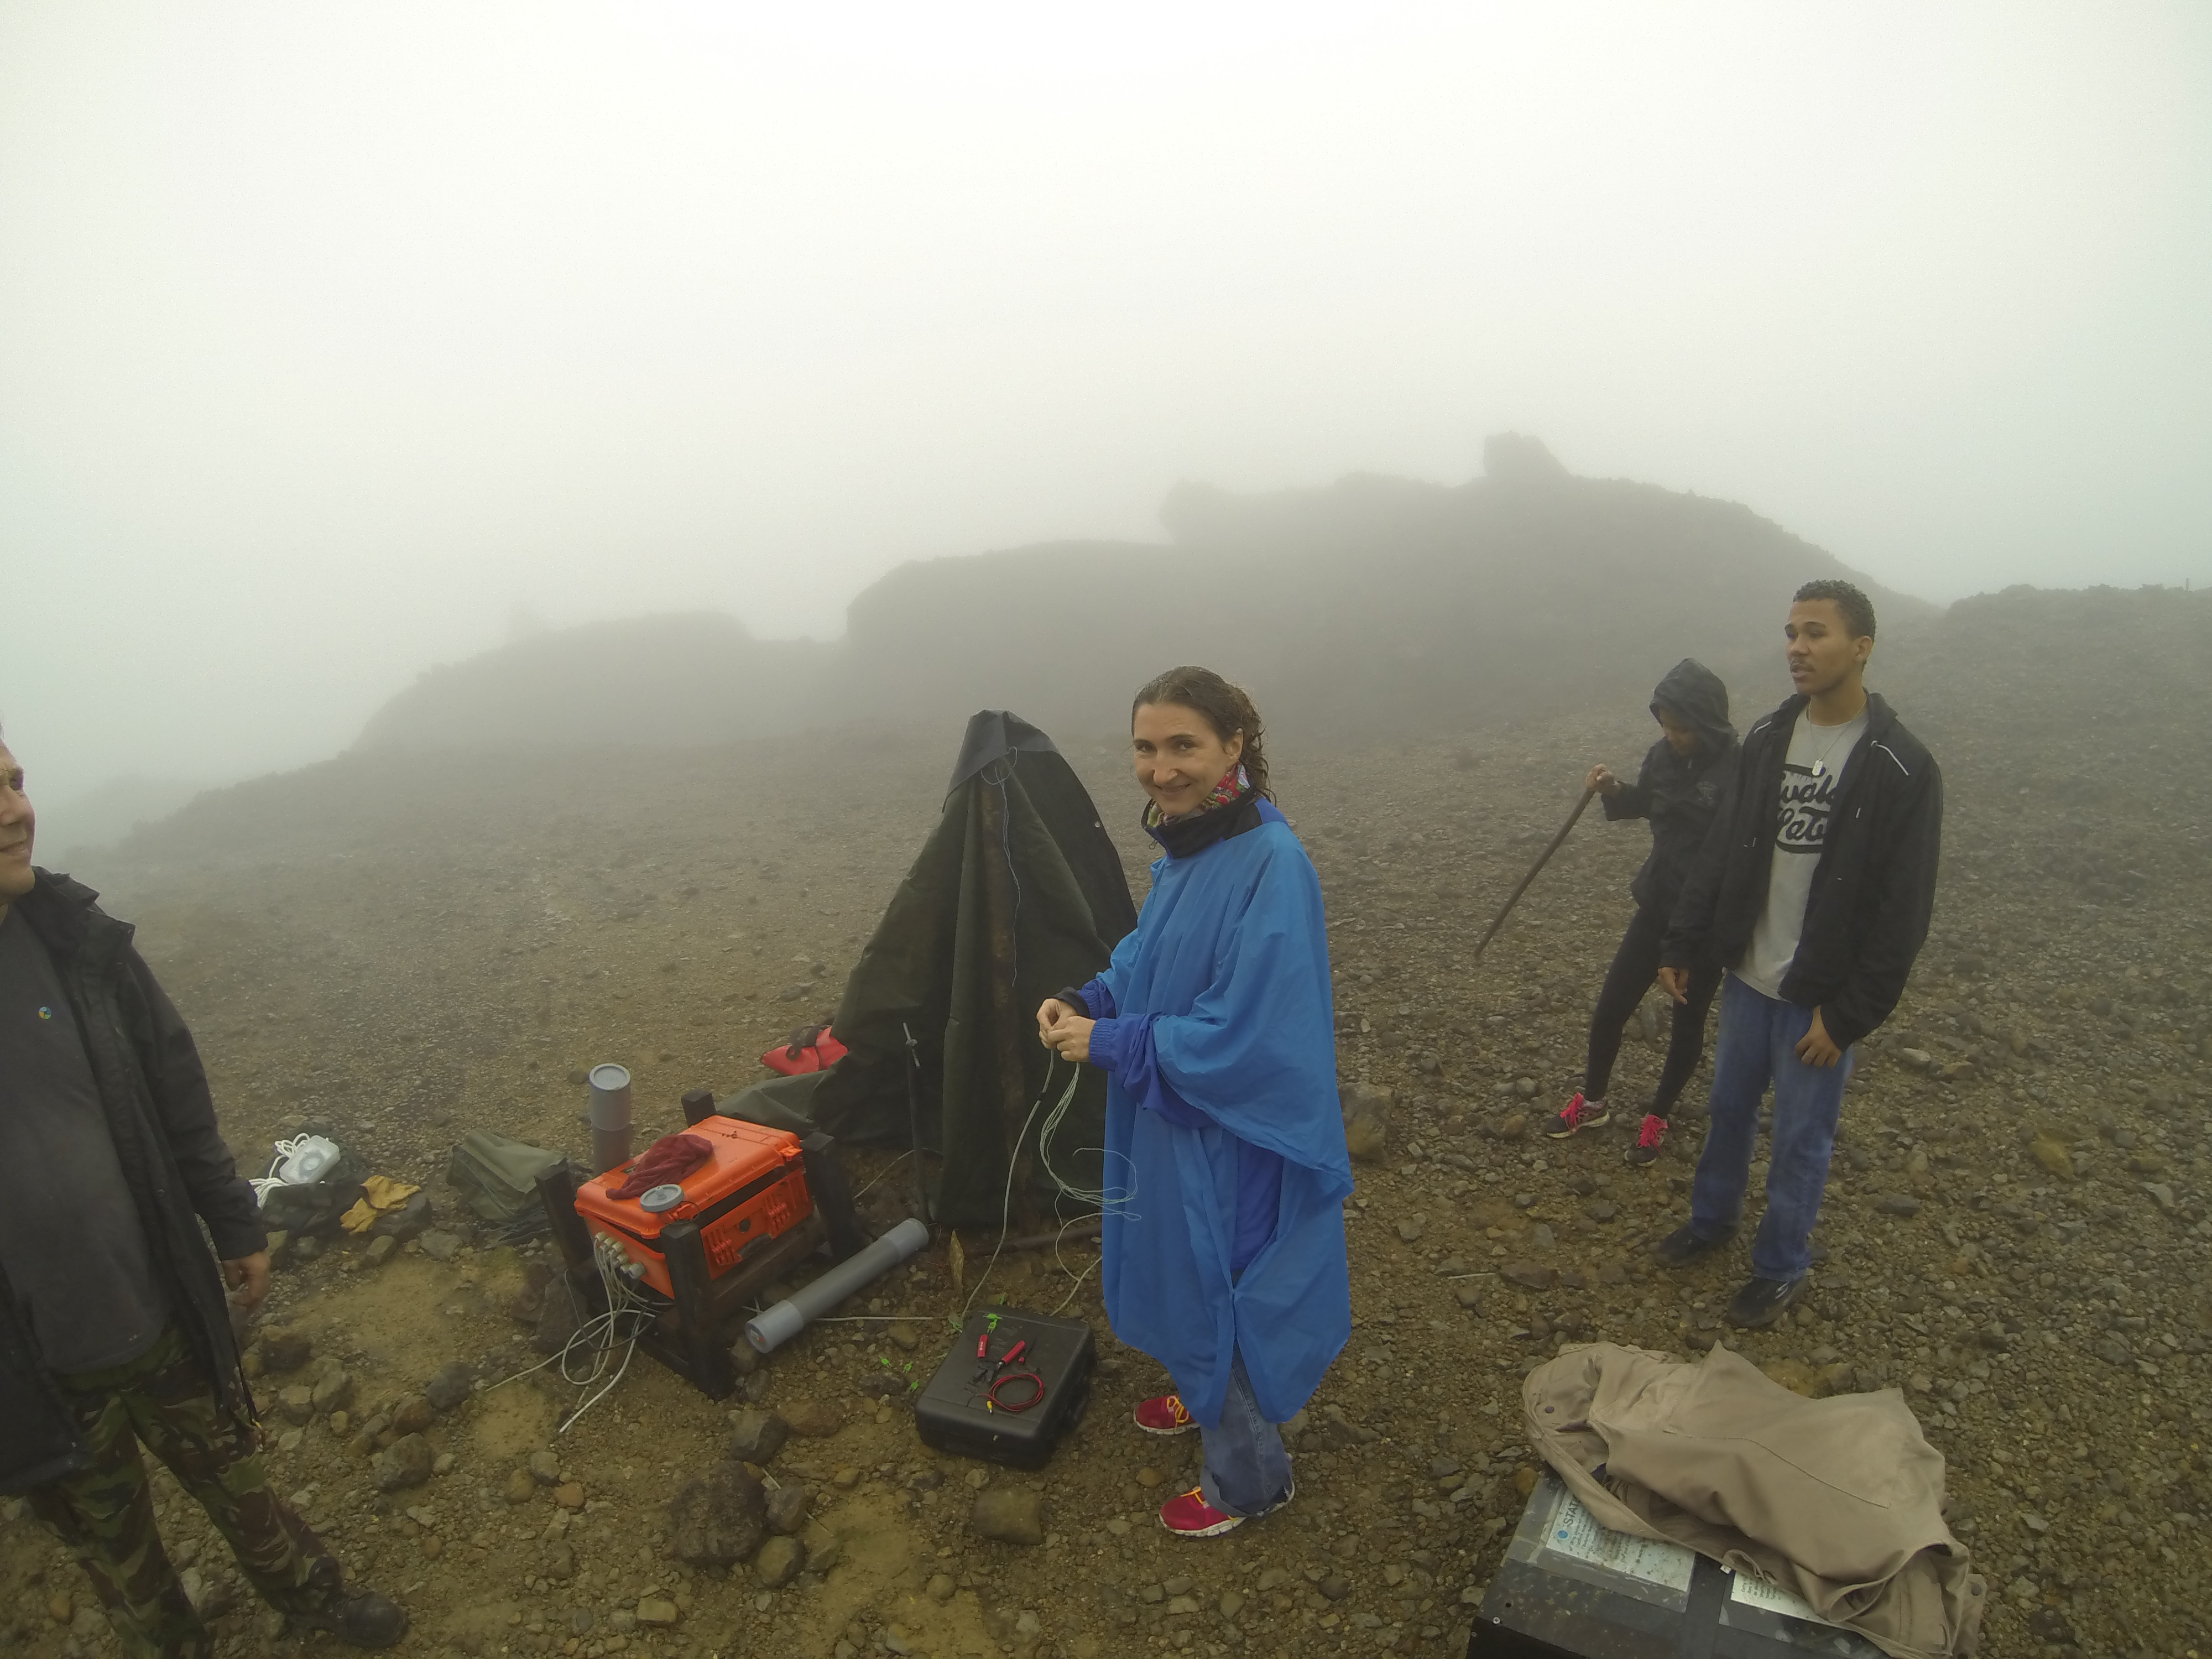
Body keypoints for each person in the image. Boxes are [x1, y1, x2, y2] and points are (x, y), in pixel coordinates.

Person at [0, 734, 408, 1656]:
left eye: (16, 783)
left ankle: (314, 1599)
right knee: (118, 1556)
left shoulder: (77, 943)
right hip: (41, 1377)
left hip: (159, 1313)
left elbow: (174, 1087)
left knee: (239, 1479)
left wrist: (233, 1221)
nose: (17, 810)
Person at [1036, 667, 1350, 1539]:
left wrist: (1116, 1043)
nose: (1161, 768)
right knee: (1179, 1257)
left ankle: (1249, 1480)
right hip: (1173, 1113)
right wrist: (1090, 996)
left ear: (1233, 745)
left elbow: (1252, 1030)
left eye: (1184, 745)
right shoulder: (1194, 841)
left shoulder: (1271, 863)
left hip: (1230, 1127)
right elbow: (1153, 953)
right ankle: (1200, 1386)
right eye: (1146, 747)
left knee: (1225, 1278)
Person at [1648, 581, 1943, 1329]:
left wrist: (1848, 1017)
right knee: (1727, 1110)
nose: (1798, 648)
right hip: (1749, 977)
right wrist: (1684, 941)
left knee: (1800, 1141)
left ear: (1861, 647)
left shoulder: (1901, 766)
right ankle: (1710, 1221)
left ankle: (1781, 1266)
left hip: (1817, 996)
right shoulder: (1768, 737)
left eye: (1816, 633)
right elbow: (1721, 850)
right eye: (1791, 633)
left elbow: (1903, 911)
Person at [1546, 660, 1738, 1166]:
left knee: (1686, 1023)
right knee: (1611, 1009)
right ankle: (1593, 1102)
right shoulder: (1663, 757)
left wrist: (1690, 941)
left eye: (1682, 729)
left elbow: (1730, 860)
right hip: (1657, 905)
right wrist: (1614, 790)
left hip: (1704, 926)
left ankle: (1659, 1116)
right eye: (1666, 726)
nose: (1673, 737)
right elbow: (1646, 803)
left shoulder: (1737, 772)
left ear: (1708, 722)